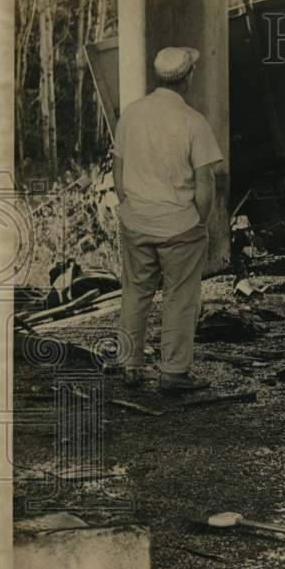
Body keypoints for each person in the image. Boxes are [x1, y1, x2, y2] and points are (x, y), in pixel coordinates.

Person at [113, 46, 224, 393]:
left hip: (136, 220)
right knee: (179, 297)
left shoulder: (131, 115)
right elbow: (207, 182)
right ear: (188, 77)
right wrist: (200, 221)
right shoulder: (194, 122)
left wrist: (130, 206)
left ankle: (129, 366)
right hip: (180, 225)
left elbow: (118, 169)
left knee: (135, 292)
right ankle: (174, 373)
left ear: (158, 76)